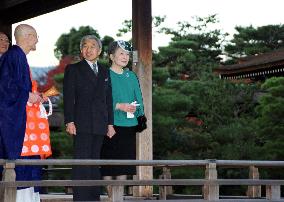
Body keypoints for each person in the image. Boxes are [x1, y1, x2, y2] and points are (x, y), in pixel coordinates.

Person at [0, 24, 52, 202]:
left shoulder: (18, 56)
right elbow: (5, 89)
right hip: (15, 124)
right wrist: (28, 95)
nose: (37, 40)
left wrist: (32, 96)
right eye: (36, 36)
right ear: (28, 36)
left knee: (27, 167)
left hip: (23, 122)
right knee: (19, 167)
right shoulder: (14, 56)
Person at [63, 35, 115, 201]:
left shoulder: (105, 70)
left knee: (94, 161)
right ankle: (81, 198)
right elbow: (69, 97)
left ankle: (94, 197)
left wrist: (110, 123)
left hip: (100, 122)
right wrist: (69, 120)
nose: (88, 49)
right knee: (81, 160)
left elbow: (109, 99)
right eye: (85, 46)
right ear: (81, 50)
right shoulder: (74, 69)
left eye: (93, 46)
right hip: (81, 121)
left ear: (99, 51)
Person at [100, 40, 145, 201]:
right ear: (111, 56)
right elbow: (99, 100)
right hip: (109, 124)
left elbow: (138, 97)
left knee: (123, 165)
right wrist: (119, 105)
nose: (125, 57)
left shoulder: (131, 75)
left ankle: (118, 199)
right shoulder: (104, 74)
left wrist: (138, 110)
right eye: (121, 53)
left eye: (127, 54)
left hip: (128, 125)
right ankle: (112, 197)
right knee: (108, 165)